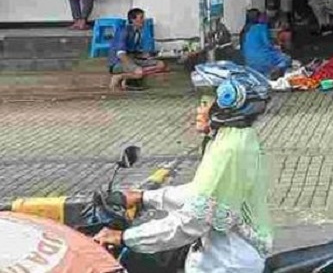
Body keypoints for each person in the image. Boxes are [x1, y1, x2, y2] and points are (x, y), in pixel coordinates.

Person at [94, 62, 273, 272]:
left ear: (227, 103)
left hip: (226, 264)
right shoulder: (236, 139)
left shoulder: (229, 150)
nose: (198, 108)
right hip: (225, 255)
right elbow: (202, 194)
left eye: (205, 101)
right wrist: (144, 197)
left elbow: (192, 222)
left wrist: (125, 237)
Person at [109, 8, 166, 91]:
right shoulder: (123, 31)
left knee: (160, 64)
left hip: (132, 59)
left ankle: (130, 76)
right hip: (118, 63)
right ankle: (119, 77)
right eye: (141, 18)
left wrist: (146, 56)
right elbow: (121, 55)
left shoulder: (137, 32)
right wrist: (134, 67)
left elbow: (134, 51)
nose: (144, 20)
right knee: (138, 71)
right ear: (133, 20)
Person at [240, 8, 291, 79]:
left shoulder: (245, 30)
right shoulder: (262, 27)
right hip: (262, 59)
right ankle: (276, 70)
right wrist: (276, 48)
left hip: (249, 62)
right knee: (286, 58)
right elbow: (267, 44)